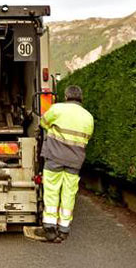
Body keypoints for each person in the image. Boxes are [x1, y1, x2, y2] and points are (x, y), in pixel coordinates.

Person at [36, 85, 94, 242]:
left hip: (55, 157)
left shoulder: (58, 109)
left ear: (66, 96)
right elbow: (86, 138)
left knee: (52, 191)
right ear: (81, 98)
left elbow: (43, 122)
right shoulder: (88, 117)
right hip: (75, 161)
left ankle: (49, 228)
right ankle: (63, 230)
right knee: (69, 193)